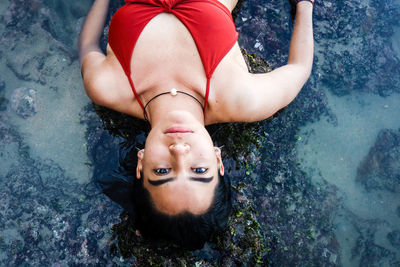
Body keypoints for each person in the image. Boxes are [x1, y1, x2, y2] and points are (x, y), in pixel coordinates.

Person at [79, 0, 314, 249]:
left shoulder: (106, 86)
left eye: (161, 172)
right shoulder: (242, 98)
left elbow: (87, 46)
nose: (179, 151)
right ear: (217, 160)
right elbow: (299, 68)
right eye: (200, 171)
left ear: (141, 163)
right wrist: (305, 5)